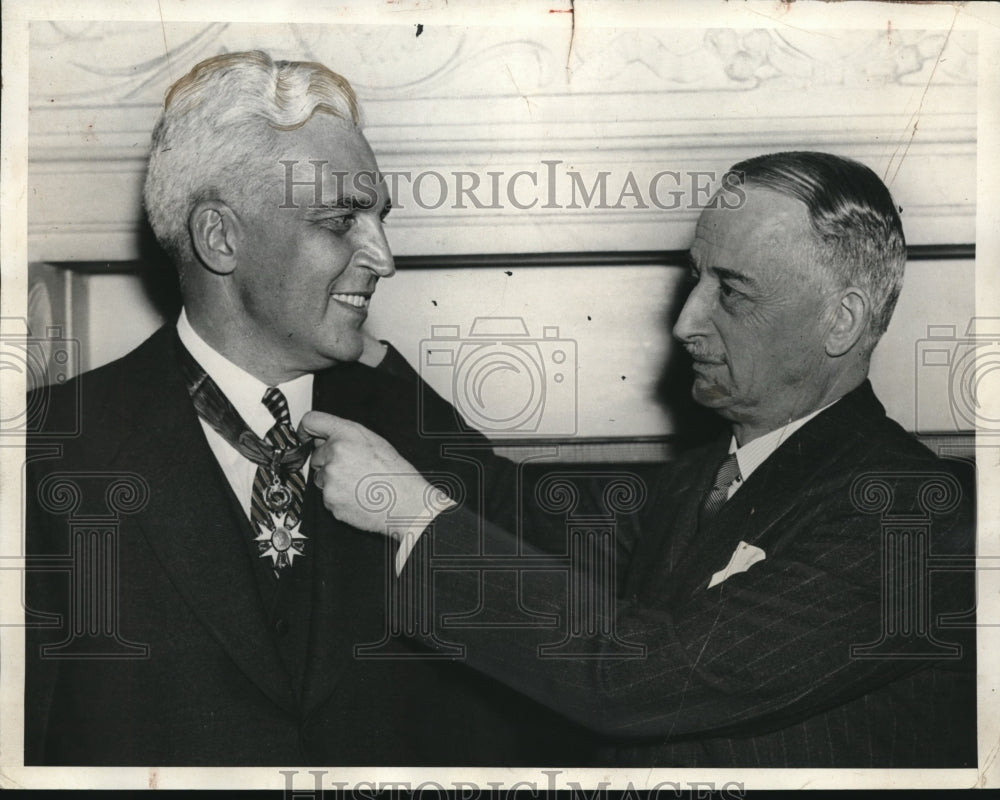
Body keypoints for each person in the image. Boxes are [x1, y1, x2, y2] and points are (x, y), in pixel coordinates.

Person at [305, 151, 978, 768]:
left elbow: (638, 678)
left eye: (732, 291)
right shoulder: (706, 477)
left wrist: (413, 517)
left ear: (842, 320)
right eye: (696, 280)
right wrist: (365, 355)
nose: (686, 322)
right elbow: (519, 514)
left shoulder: (906, 514)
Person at [23, 50, 585, 766]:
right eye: (339, 222)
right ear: (220, 238)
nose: (382, 256)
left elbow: (588, 623)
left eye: (378, 218)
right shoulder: (39, 455)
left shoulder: (418, 432)